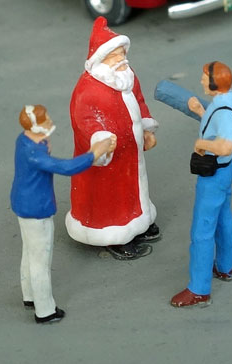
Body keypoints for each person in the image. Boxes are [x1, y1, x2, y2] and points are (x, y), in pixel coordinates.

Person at [10, 104, 115, 324]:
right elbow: (66, 168)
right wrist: (94, 153)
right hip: (37, 209)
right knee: (40, 261)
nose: (50, 120)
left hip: (24, 203)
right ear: (36, 126)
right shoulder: (34, 153)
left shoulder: (25, 140)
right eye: (45, 119)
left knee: (29, 253)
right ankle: (45, 310)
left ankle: (29, 296)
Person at [66, 17, 161, 260]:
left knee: (134, 186)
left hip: (130, 151)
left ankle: (139, 221)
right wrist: (101, 141)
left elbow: (139, 101)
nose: (121, 59)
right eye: (114, 55)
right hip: (108, 157)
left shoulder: (126, 76)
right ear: (100, 59)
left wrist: (146, 129)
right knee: (110, 196)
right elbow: (84, 120)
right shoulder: (87, 88)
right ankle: (114, 236)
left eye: (122, 53)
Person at [171, 62, 232, 308]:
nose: (202, 81)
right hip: (225, 171)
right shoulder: (229, 100)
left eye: (205, 77)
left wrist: (201, 144)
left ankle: (199, 289)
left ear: (214, 82)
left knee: (202, 231)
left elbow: (226, 145)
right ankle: (224, 266)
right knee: (223, 219)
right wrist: (201, 111)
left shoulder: (225, 111)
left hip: (214, 174)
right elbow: (218, 126)